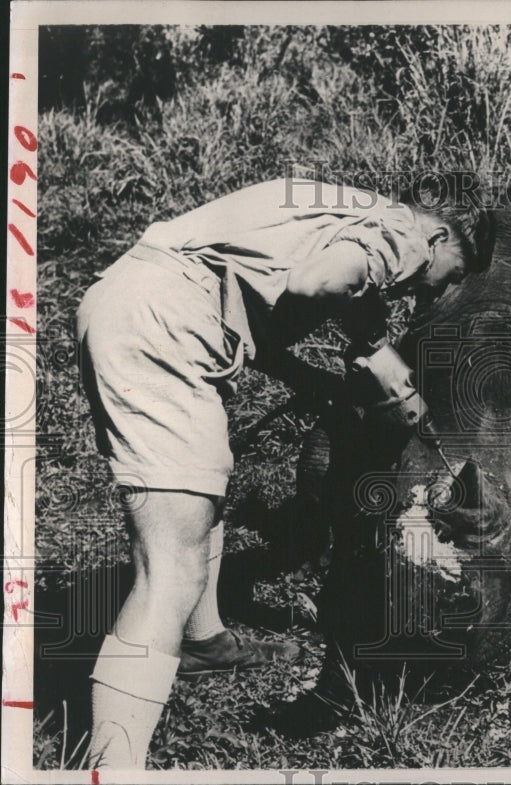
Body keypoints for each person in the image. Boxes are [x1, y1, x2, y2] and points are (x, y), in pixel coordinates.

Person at [76, 177, 477, 768]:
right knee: (169, 569)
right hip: (162, 325)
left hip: (134, 303)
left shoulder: (337, 209)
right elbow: (316, 282)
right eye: (435, 278)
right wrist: (371, 337)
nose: (420, 293)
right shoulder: (402, 233)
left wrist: (317, 379)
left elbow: (256, 305)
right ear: (438, 237)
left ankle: (203, 642)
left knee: (202, 494)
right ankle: (111, 767)